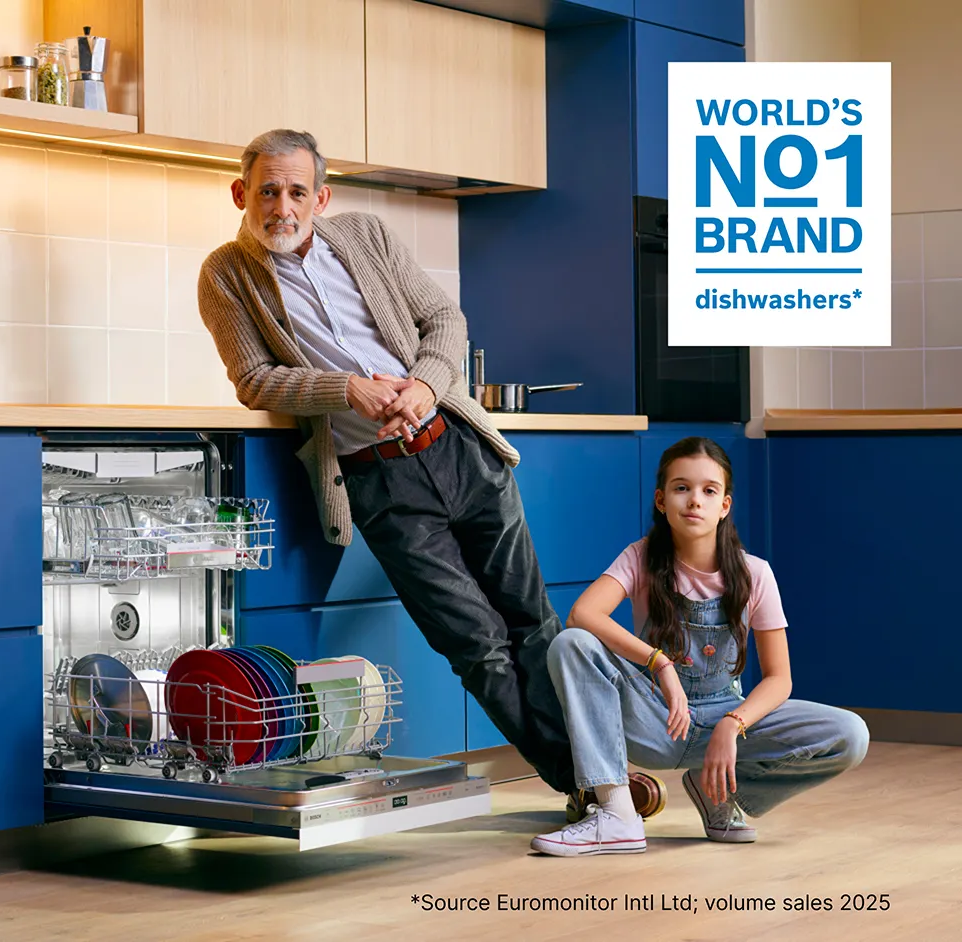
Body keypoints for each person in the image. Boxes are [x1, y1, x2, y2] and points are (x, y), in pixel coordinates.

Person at [195, 128, 579, 799]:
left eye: (296, 191)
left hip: (460, 448)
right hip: (380, 481)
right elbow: (255, 379)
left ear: (322, 196)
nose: (281, 206)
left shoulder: (366, 235)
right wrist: (350, 388)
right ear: (240, 194)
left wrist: (424, 386)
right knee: (476, 645)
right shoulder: (225, 275)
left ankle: (598, 777)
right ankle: (586, 783)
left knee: (534, 623)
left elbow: (445, 320)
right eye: (266, 191)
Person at [529, 436, 869, 857]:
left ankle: (719, 790)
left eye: (709, 490)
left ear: (725, 505)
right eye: (681, 488)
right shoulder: (640, 557)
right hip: (655, 718)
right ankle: (617, 813)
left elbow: (780, 680)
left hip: (723, 719)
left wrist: (732, 723)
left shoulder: (755, 574)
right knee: (572, 644)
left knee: (850, 734)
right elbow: (583, 614)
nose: (694, 501)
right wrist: (659, 664)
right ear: (661, 500)